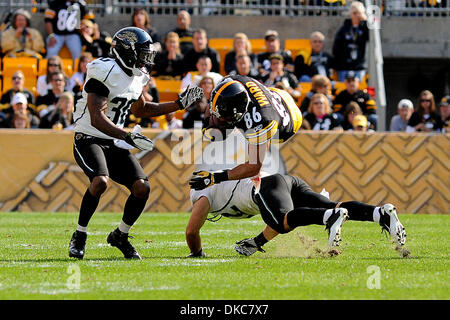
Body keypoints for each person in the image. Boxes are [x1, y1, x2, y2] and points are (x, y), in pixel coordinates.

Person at [68, 27, 203, 260]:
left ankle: (120, 235)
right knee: (100, 182)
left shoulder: (138, 75)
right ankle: (79, 234)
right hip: (88, 136)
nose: (146, 58)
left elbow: (141, 108)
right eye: (142, 52)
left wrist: (178, 105)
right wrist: (126, 136)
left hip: (114, 139)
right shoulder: (104, 70)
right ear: (127, 50)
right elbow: (96, 117)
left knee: (142, 187)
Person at [186, 173, 406, 257]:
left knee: (285, 221)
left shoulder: (202, 194)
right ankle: (379, 213)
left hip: (267, 187)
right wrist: (257, 242)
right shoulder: (218, 182)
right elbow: (279, 216)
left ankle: (328, 217)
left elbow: (191, 231)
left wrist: (196, 253)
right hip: (284, 182)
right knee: (334, 204)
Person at [189, 74, 302, 193]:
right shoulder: (230, 81)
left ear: (237, 114)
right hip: (277, 94)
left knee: (255, 150)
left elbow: (253, 167)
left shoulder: (260, 120)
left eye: (223, 118)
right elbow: (212, 104)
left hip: (290, 120)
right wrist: (207, 121)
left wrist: (215, 178)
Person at [332, 1, 369, 82]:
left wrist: (365, 22)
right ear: (350, 14)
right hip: (344, 67)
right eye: (354, 13)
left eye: (359, 13)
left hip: (359, 66)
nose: (356, 15)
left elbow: (370, 38)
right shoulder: (345, 28)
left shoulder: (364, 28)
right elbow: (336, 46)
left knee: (359, 89)